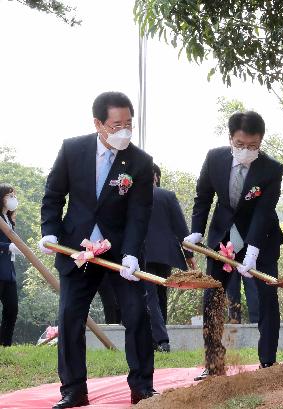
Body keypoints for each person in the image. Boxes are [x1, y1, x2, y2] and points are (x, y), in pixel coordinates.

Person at [38, 92, 155, 408]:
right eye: (117, 124)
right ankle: (74, 390)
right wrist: (49, 232)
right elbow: (53, 197)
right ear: (98, 124)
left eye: (129, 124)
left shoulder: (140, 162)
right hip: (77, 249)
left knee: (136, 313)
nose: (124, 131)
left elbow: (139, 213)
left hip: (119, 253)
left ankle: (142, 387)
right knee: (71, 317)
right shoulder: (73, 150)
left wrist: (131, 252)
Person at [185, 111, 283, 380]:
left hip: (261, 240)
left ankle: (267, 363)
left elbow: (264, 211)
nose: (246, 151)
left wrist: (252, 249)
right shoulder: (214, 158)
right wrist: (196, 231)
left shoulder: (272, 169)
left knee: (266, 300)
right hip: (222, 238)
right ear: (230, 138)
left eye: (253, 146)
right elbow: (203, 196)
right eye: (240, 145)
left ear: (261, 142)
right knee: (213, 299)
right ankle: (214, 364)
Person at [144, 164, 196, 352]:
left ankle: (160, 340)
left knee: (150, 296)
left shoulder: (132, 197)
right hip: (166, 254)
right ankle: (159, 339)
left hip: (143, 253)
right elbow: (181, 228)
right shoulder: (167, 196)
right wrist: (189, 255)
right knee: (159, 295)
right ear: (156, 177)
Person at [0, 184, 23, 346]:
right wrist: (7, 246)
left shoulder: (10, 220)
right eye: (9, 196)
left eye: (13, 195)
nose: (13, 199)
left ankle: (5, 344)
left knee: (12, 309)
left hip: (9, 271)